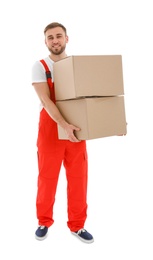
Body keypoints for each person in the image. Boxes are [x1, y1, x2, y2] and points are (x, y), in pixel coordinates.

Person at [31, 22, 94, 243]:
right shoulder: (40, 66)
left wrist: (111, 123)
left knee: (78, 178)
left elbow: (91, 97)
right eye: (50, 37)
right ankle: (43, 221)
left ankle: (77, 225)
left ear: (67, 39)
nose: (55, 40)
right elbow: (46, 100)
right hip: (50, 130)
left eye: (59, 36)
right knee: (47, 178)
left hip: (76, 129)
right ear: (45, 42)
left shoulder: (77, 66)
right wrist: (63, 125)